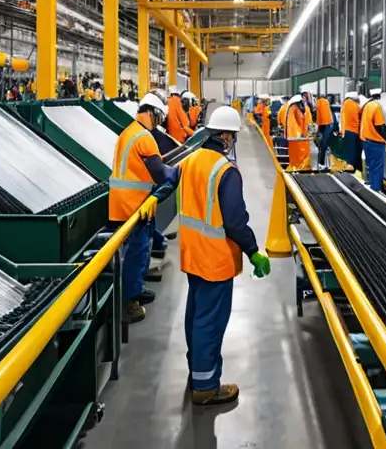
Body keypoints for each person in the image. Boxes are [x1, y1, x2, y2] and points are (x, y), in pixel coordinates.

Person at [176, 106, 271, 406]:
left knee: (195, 316)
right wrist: (254, 252)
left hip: (192, 254)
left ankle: (197, 373)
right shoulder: (225, 172)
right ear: (226, 138)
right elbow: (235, 221)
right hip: (214, 260)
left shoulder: (190, 161)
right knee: (210, 321)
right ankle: (205, 387)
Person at [109, 92, 178, 324]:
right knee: (136, 255)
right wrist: (178, 172)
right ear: (150, 113)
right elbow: (159, 173)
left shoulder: (127, 132)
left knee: (140, 250)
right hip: (133, 205)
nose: (158, 124)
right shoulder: (144, 137)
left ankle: (135, 291)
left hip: (121, 202)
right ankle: (128, 305)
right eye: (158, 118)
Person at [359, 88, 386, 191]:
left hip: (366, 140)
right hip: (375, 142)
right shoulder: (377, 106)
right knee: (378, 168)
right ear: (379, 96)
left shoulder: (367, 106)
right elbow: (380, 126)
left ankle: (372, 188)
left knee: (371, 166)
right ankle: (375, 191)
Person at [284, 94, 310, 170]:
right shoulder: (293, 108)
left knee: (302, 153)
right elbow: (292, 124)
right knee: (296, 154)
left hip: (300, 137)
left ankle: (301, 166)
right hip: (295, 137)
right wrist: (299, 133)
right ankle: (297, 167)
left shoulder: (301, 109)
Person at [314, 94, 337, 169]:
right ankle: (322, 163)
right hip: (326, 127)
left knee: (323, 145)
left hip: (326, 127)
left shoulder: (324, 106)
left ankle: (322, 163)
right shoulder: (325, 106)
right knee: (323, 145)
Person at [341, 91, 362, 172]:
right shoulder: (357, 105)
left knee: (350, 149)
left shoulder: (346, 103)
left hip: (348, 130)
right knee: (356, 149)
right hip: (357, 130)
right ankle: (357, 167)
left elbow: (343, 118)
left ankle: (350, 166)